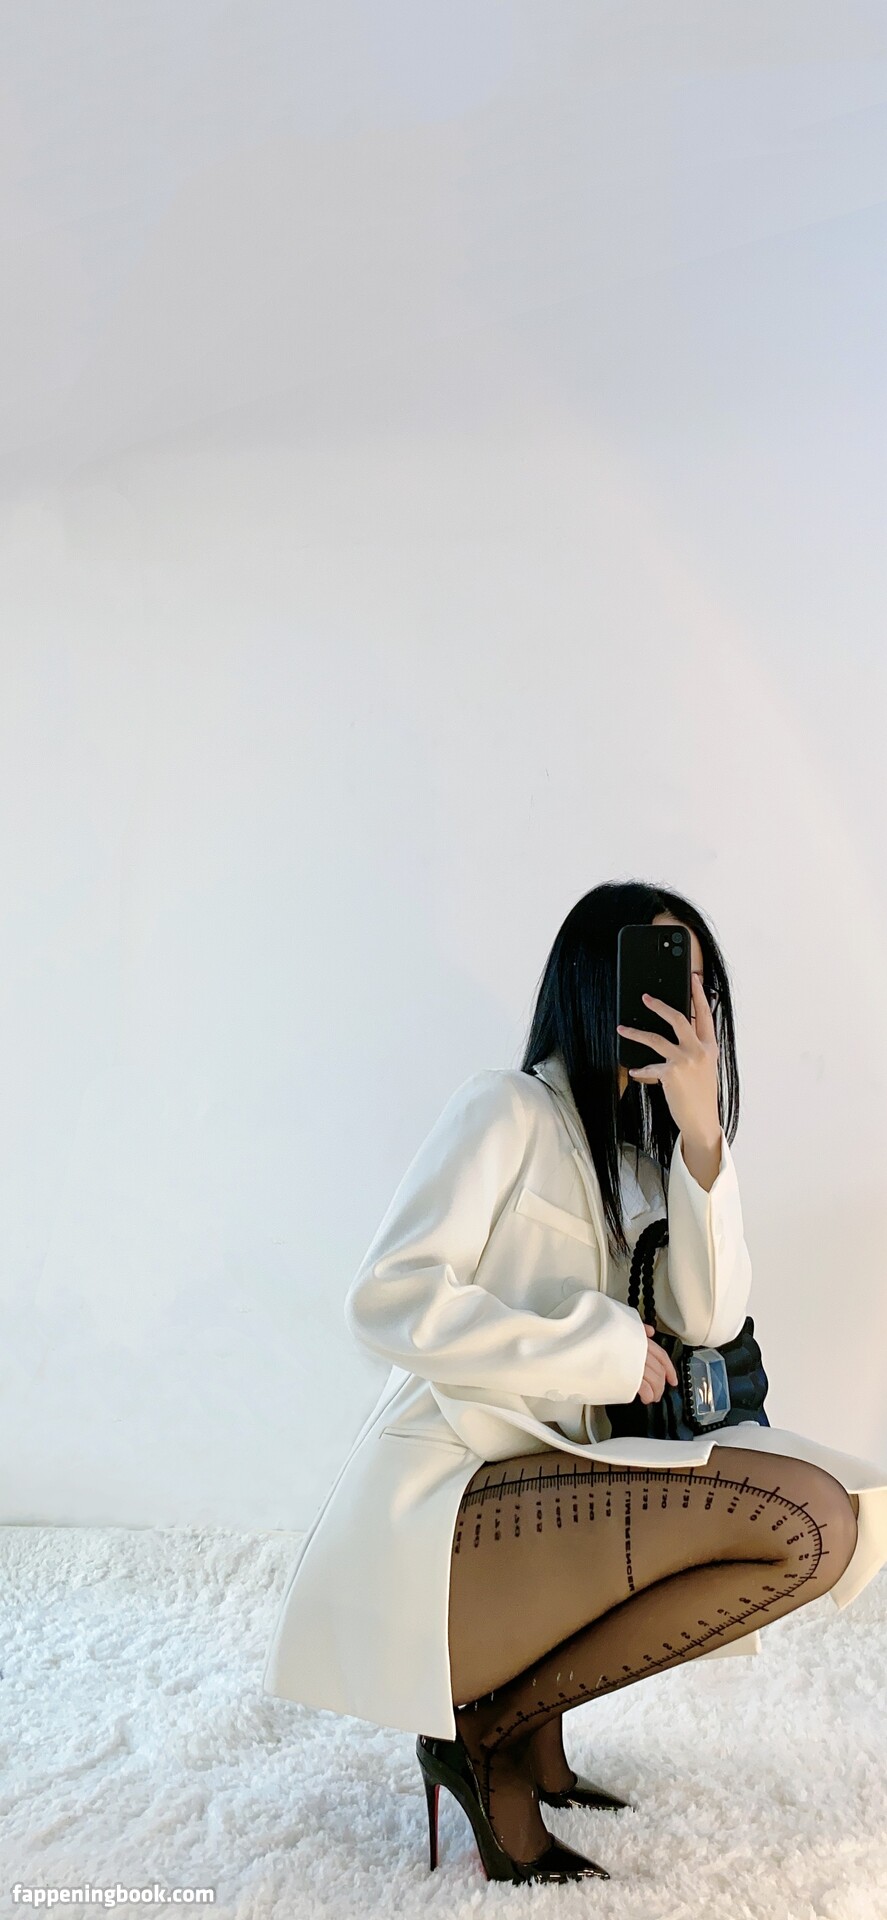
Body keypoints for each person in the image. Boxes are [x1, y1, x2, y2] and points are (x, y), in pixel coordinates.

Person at [262, 879, 886, 1888]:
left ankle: (511, 1722)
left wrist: (700, 1140)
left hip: (551, 1497)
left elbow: (711, 1319)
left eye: (700, 987)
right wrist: (595, 1351)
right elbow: (385, 1299)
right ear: (597, 981)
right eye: (661, 974)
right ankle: (484, 1739)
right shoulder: (506, 1109)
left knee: (833, 1518)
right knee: (801, 1516)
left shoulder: (642, 1166)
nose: (685, 1006)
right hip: (450, 1505)